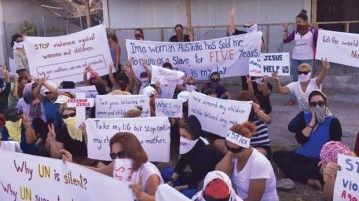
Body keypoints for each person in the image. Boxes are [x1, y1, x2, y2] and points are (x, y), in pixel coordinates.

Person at [61, 132, 163, 201]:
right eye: (113, 155)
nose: (117, 158)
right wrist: (72, 164)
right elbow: (97, 171)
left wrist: (141, 196)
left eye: (121, 154)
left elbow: (159, 199)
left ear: (133, 151)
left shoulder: (149, 172)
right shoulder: (117, 164)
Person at [273, 90, 342, 190]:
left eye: (321, 103)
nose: (317, 106)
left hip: (318, 161)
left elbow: (336, 147)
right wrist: (312, 122)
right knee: (278, 155)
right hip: (301, 156)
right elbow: (300, 140)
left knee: (321, 169)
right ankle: (308, 179)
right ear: (309, 106)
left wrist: (326, 161)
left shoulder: (333, 121)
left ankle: (296, 174)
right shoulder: (305, 117)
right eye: (313, 104)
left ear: (325, 104)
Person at [216, 122, 279, 201]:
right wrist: (229, 154)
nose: (231, 151)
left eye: (234, 149)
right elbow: (218, 175)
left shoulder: (258, 163)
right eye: (228, 147)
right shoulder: (234, 154)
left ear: (246, 147)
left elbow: (253, 199)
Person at [162, 115, 220, 198]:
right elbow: (182, 163)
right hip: (193, 176)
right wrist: (172, 181)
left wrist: (180, 188)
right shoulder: (188, 144)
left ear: (193, 135)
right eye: (180, 135)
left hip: (204, 183)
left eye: (184, 136)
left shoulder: (206, 153)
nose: (181, 139)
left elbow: (200, 179)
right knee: (166, 171)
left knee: (184, 195)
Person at [272, 58, 329, 133]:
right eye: (300, 72)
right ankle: (308, 127)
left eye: (305, 72)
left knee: (320, 130)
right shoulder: (294, 85)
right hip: (304, 112)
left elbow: (321, 77)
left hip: (318, 112)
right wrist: (276, 80)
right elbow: (281, 90)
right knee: (292, 127)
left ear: (309, 73)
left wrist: (325, 69)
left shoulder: (315, 82)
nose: (302, 74)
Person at [283, 9, 318, 105]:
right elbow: (285, 40)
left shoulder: (313, 31)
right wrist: (285, 29)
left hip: (308, 58)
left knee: (309, 79)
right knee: (295, 79)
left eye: (299, 22)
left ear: (306, 22)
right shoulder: (295, 32)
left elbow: (319, 43)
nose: (298, 24)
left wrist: (321, 33)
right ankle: (293, 98)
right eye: (296, 22)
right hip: (295, 58)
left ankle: (311, 99)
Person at [228, 9, 265, 91]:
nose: (247, 28)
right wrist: (232, 17)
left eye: (248, 26)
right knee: (245, 81)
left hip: (255, 62)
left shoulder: (258, 35)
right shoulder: (244, 35)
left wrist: (259, 37)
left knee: (257, 80)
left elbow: (262, 48)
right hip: (244, 62)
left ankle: (257, 95)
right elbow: (233, 30)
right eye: (245, 27)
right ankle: (246, 96)